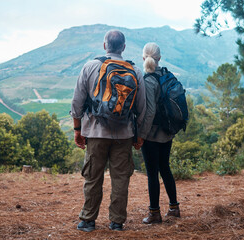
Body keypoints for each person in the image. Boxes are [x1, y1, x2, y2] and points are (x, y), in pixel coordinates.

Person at [70, 30, 146, 232]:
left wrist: (78, 129)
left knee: (93, 177)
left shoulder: (90, 66)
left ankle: (88, 220)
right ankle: (117, 221)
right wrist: (140, 136)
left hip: (95, 132)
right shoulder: (135, 71)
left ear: (105, 46)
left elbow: (77, 102)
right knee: (120, 178)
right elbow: (142, 108)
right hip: (124, 134)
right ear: (123, 47)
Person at [139, 42, 180, 224]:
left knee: (152, 173)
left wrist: (141, 134)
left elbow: (149, 112)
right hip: (167, 132)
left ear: (143, 57)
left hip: (152, 134)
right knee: (165, 168)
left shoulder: (148, 79)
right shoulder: (167, 75)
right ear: (159, 58)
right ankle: (174, 207)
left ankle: (154, 213)